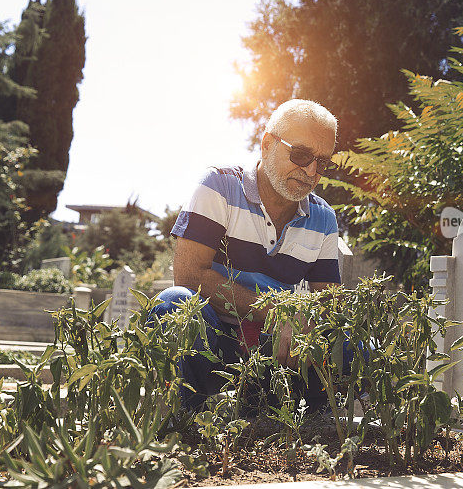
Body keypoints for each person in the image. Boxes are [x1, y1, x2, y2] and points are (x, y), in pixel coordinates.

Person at [149, 99, 349, 412]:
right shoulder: (218, 187)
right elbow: (189, 276)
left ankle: (317, 430)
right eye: (300, 154)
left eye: (322, 162)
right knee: (174, 305)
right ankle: (183, 426)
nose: (311, 171)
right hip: (214, 338)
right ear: (267, 144)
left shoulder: (323, 218)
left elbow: (328, 303)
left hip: (277, 348)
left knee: (351, 342)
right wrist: (277, 314)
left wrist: (305, 323)